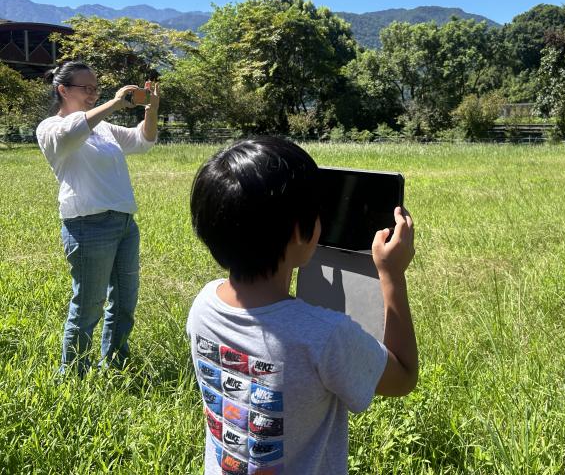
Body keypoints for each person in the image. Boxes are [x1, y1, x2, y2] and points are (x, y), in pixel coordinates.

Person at [186, 137, 418, 475]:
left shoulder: (203, 305)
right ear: (300, 231)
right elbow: (404, 377)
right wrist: (392, 274)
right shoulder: (327, 337)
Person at [36, 61, 160, 375]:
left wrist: (151, 109)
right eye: (86, 88)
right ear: (63, 90)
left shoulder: (102, 128)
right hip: (87, 226)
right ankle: (73, 372)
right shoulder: (50, 128)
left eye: (96, 88)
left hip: (124, 223)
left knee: (124, 302)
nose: (92, 94)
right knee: (88, 306)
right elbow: (74, 131)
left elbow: (142, 141)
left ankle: (115, 362)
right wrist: (117, 101)